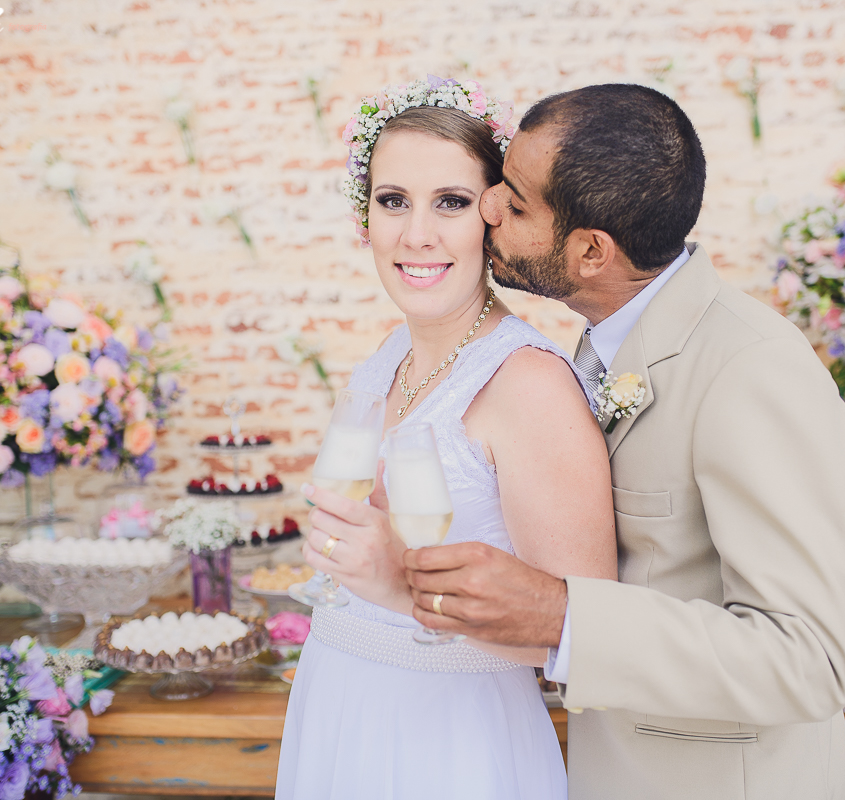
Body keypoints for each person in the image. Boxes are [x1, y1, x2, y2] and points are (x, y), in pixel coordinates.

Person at [403, 84, 845, 799]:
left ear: (591, 250)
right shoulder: (601, 344)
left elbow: (806, 661)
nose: (488, 204)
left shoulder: (752, 370)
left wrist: (563, 616)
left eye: (517, 203)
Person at [275, 78, 617, 800]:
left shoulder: (527, 384)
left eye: (451, 203)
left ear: (493, 217)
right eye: (393, 200)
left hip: (454, 747)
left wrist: (402, 585)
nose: (416, 235)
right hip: (339, 711)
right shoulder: (382, 361)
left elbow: (587, 640)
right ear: (364, 215)